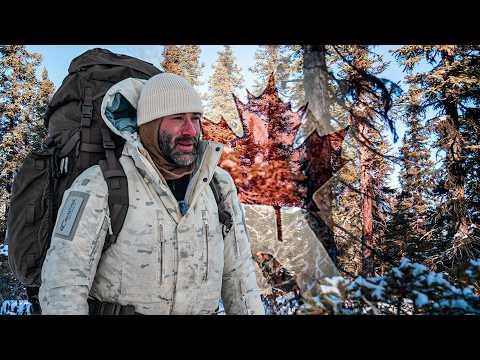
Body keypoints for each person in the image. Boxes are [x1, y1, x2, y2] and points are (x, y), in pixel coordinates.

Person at [39, 73, 265, 315]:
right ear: (150, 124)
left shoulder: (218, 185)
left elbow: (240, 277)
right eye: (178, 118)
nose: (191, 130)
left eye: (196, 118)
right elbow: (63, 285)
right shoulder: (101, 184)